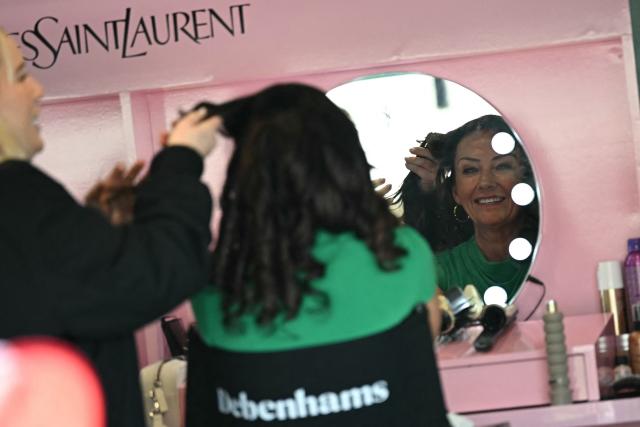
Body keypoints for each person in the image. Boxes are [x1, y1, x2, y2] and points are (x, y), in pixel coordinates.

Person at [0, 29, 221, 427]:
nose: (36, 89)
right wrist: (181, 161)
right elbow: (158, 272)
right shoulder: (13, 194)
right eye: (18, 76)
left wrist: (97, 230)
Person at [399, 115, 538, 301]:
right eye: (470, 170)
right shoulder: (433, 273)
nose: (486, 183)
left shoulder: (559, 256)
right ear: (455, 191)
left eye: (502, 166)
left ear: (526, 180)